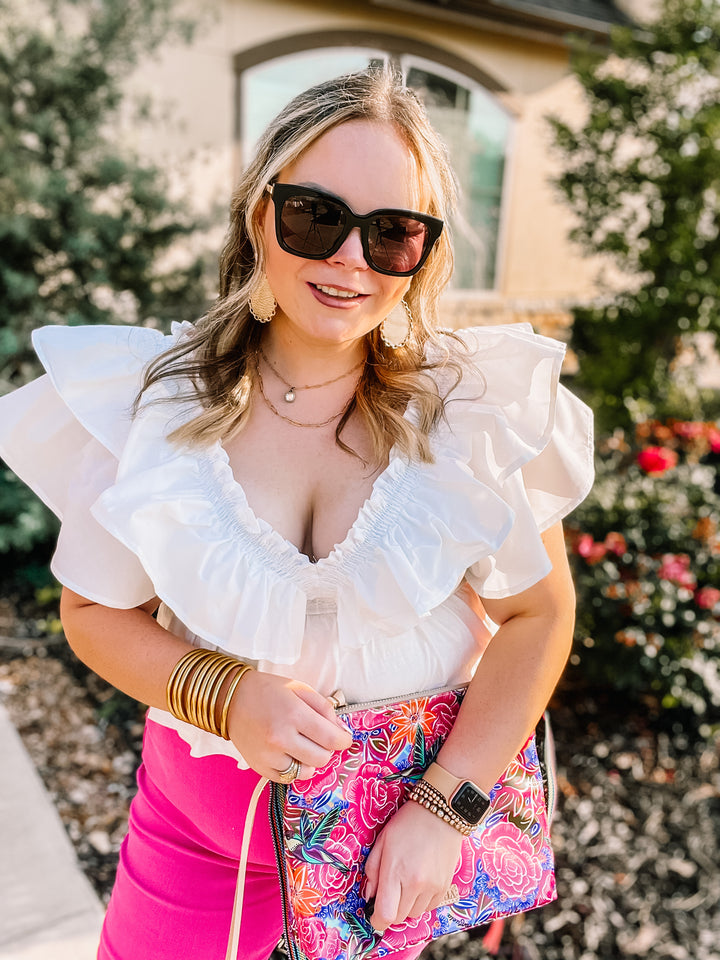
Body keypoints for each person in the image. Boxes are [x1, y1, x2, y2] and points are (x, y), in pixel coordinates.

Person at [0, 65, 593, 960]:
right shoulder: (155, 406)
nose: (351, 258)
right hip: (194, 848)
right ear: (259, 216)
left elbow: (539, 616)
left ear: (424, 253)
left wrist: (446, 811)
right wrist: (229, 694)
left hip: (389, 858)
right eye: (316, 216)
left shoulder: (473, 414)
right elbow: (91, 615)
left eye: (392, 232)